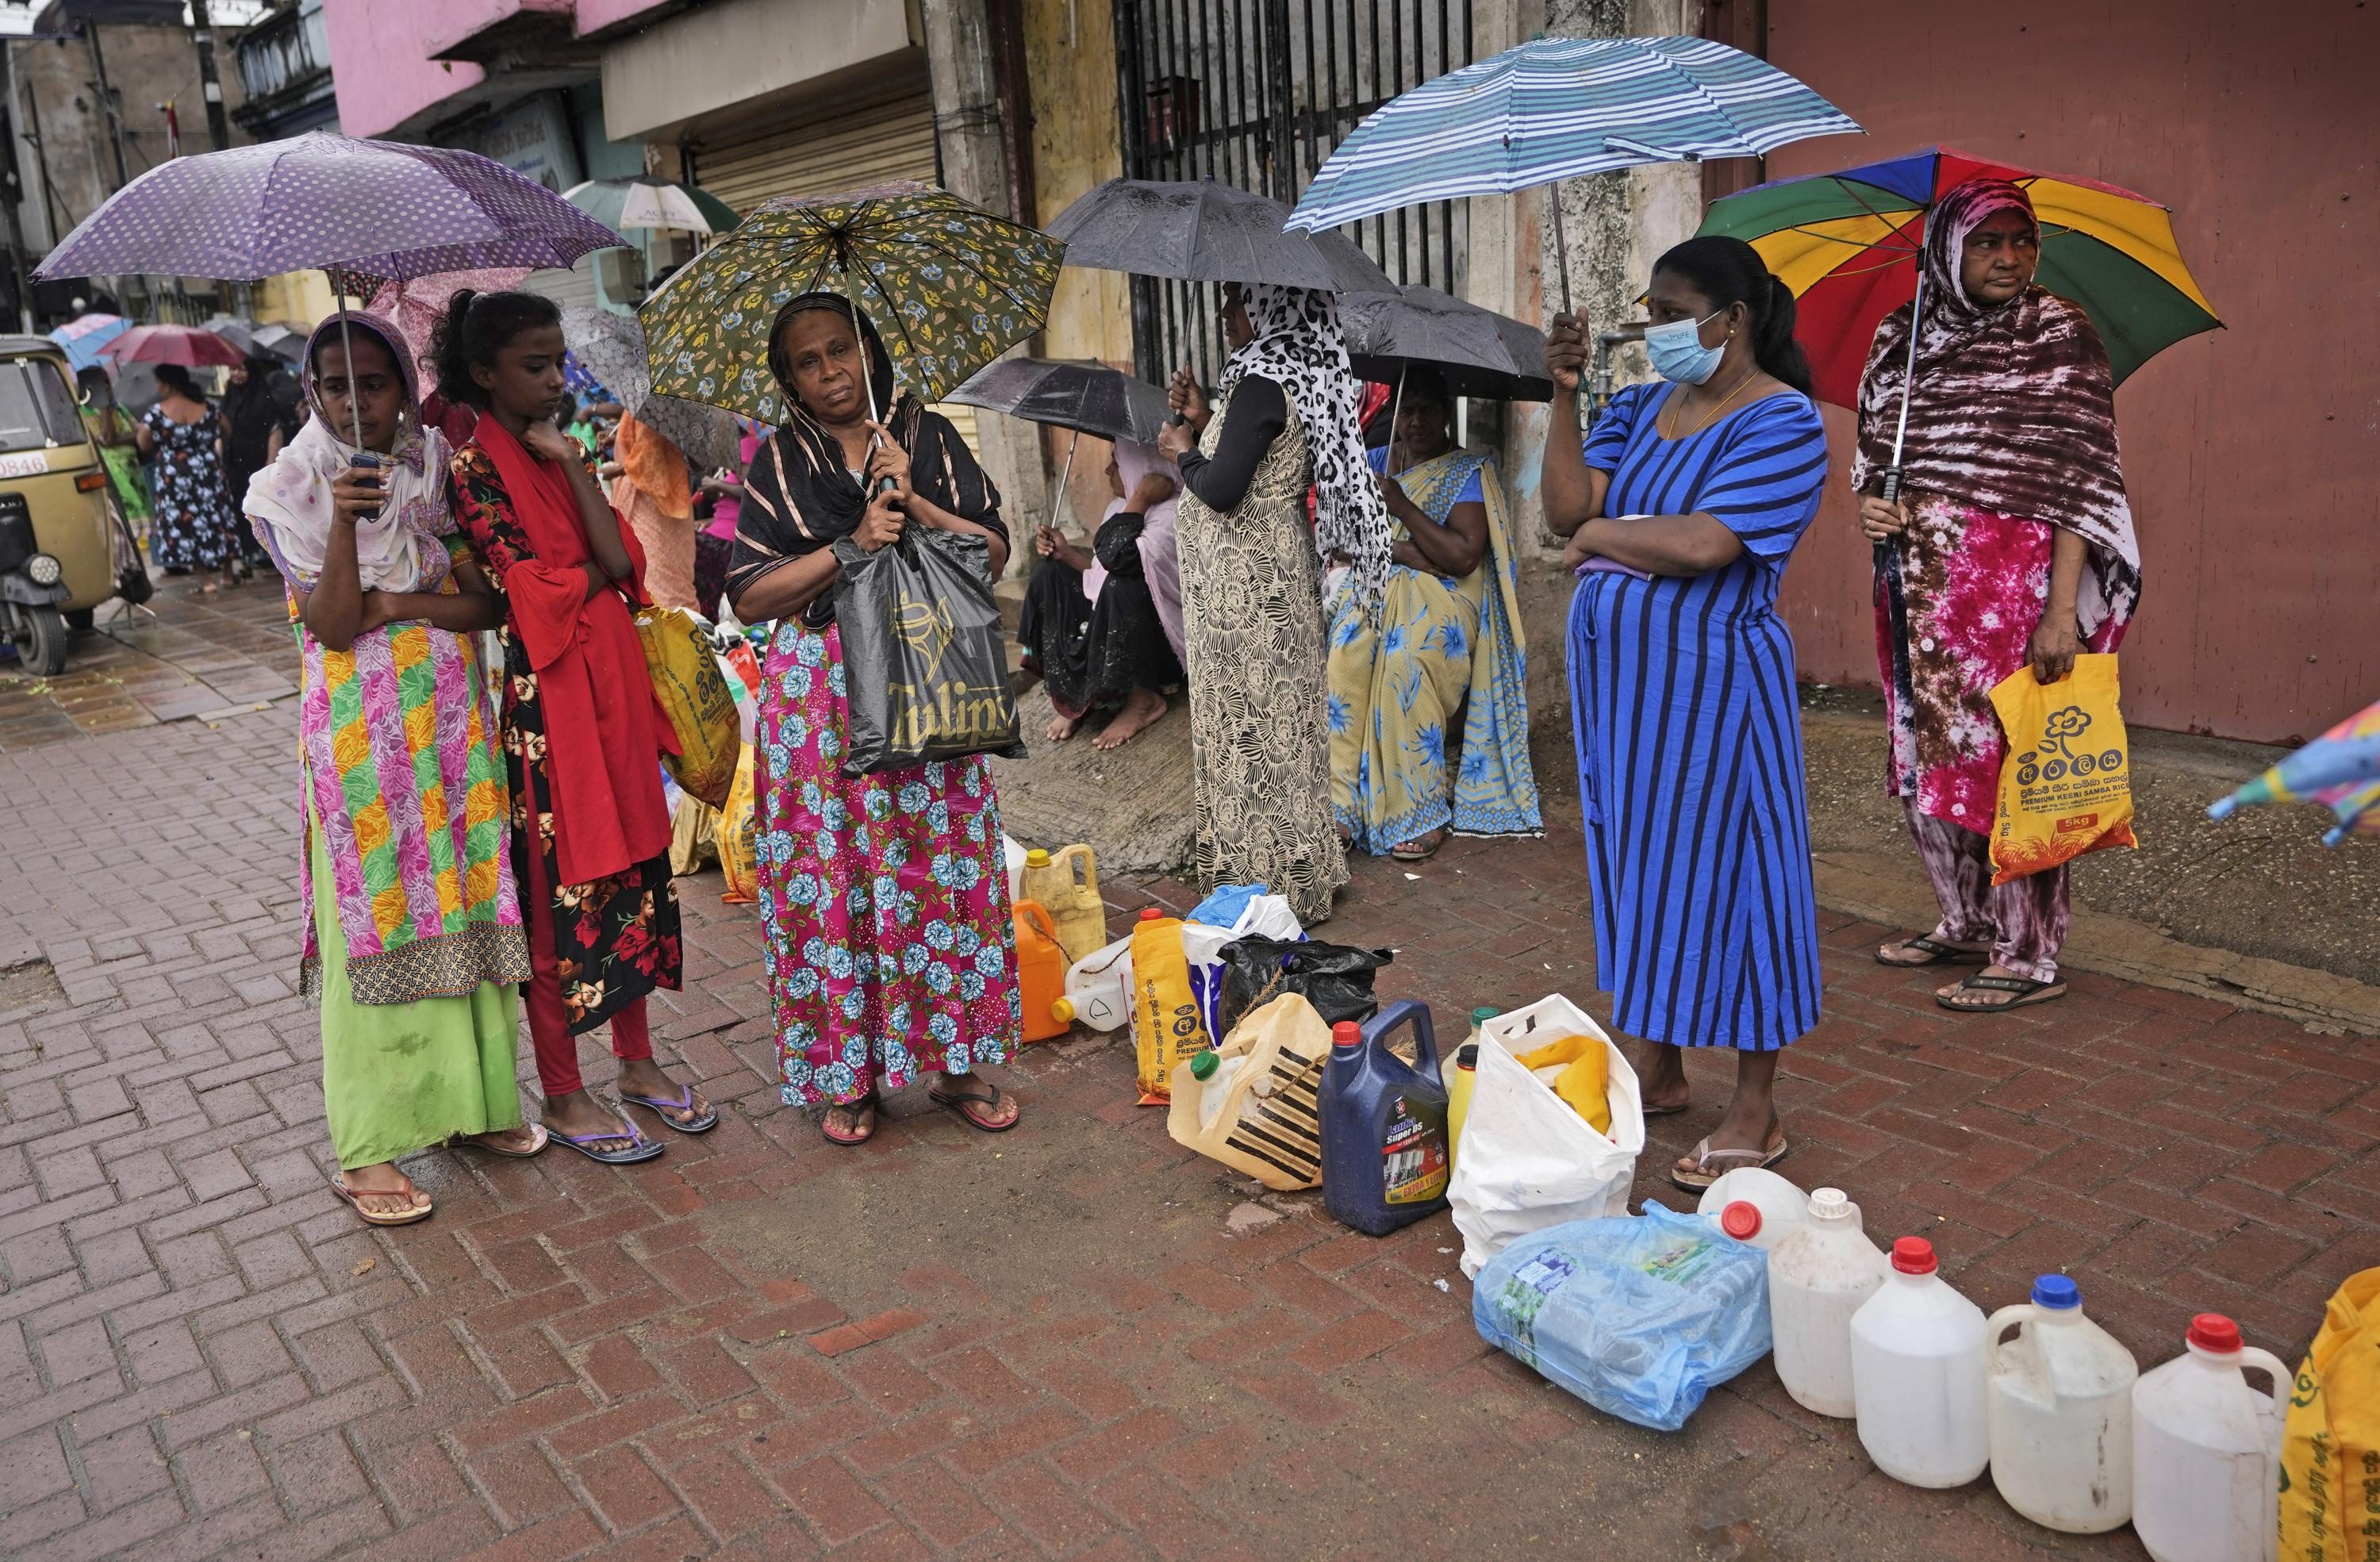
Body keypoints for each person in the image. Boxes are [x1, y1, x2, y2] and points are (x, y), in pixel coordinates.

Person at [1539, 235, 1830, 1192]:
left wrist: (1597, 537)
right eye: (1651, 312)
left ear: (1731, 319)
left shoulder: (1782, 423)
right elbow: (1563, 505)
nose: (1654, 329)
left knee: (1742, 879)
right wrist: (1565, 396)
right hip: (1627, 702)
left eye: (1670, 313)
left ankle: (1757, 1106)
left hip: (1717, 694)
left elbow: (1708, 544)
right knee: (1639, 865)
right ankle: (1658, 1066)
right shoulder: (1638, 406)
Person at [244, 310, 542, 1226]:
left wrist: (400, 598)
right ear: (312, 393)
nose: (357, 401)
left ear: (402, 387)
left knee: (460, 892)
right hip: (361, 740)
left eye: (374, 382)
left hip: (449, 719)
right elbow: (334, 624)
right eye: (337, 385)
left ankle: (473, 1107)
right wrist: (343, 522)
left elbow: (483, 605)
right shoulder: (284, 487)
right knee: (377, 915)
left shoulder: (431, 466)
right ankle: (370, 1148)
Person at [727, 292, 1021, 1146]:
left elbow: (994, 552)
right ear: (789, 382)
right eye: (809, 363)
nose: (831, 373)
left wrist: (916, 501)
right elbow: (749, 594)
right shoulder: (779, 462)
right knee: (835, 876)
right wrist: (852, 538)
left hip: (924, 676)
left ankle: (955, 1060)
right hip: (820, 698)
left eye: (840, 351)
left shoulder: (924, 434)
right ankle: (845, 1075)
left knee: (934, 871)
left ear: (868, 350)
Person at [435, 288, 708, 1165]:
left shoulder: (558, 450)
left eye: (558, 361)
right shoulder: (472, 466)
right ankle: (562, 1088)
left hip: (611, 688)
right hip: (546, 709)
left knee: (632, 865)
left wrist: (575, 472)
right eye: (535, 365)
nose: (556, 379)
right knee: (557, 894)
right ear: (484, 374)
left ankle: (636, 1063)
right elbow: (531, 595)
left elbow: (622, 563)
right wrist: (583, 573)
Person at [1857, 178, 2140, 1014]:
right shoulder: (1900, 337)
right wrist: (1875, 503)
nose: (2010, 258)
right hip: (1917, 589)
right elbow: (1879, 457)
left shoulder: (2058, 335)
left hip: (2016, 596)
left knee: (2018, 764)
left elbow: (2080, 482)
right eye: (1988, 242)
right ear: (1948, 250)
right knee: (1929, 757)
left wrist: (2062, 613)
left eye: (2022, 240)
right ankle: (1965, 919)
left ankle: (2029, 954)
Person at [1157, 282, 1388, 924]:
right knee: (1279, 722)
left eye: (1236, 301)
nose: (1226, 312)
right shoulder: (1290, 372)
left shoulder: (1262, 379)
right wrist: (1206, 420)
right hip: (1266, 573)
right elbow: (1259, 458)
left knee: (1249, 725)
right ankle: (1298, 872)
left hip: (1245, 585)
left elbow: (1226, 486)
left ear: (1268, 306)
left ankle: (1262, 886)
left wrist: (1182, 452)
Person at [1326, 367, 1539, 861]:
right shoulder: (1374, 461)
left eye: (1427, 409)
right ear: (1394, 413)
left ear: (1446, 413)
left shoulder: (1468, 471)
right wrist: (1403, 554)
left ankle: (1418, 808)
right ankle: (1343, 804)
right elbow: (1342, 541)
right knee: (1345, 656)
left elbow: (1463, 558)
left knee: (1406, 663)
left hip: (1448, 598)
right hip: (1381, 588)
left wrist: (1400, 512)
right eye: (1407, 409)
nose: (1416, 420)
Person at [1019, 438, 1184, 750]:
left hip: (1156, 650)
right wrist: (1066, 553)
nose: (1108, 470)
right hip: (1113, 619)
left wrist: (1143, 496)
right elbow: (1101, 571)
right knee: (1047, 573)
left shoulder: (1172, 513)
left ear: (1146, 469)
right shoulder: (1119, 507)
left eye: (1118, 463)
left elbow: (1119, 559)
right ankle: (1074, 696)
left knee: (1122, 581)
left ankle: (1144, 698)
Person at [136, 363, 245, 591]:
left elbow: (143, 443)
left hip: (175, 477)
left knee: (186, 524)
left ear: (167, 384)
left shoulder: (157, 412)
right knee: (218, 517)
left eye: (158, 382)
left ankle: (206, 580)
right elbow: (226, 429)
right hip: (208, 470)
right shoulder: (206, 406)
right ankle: (227, 573)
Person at [608, 413, 699, 612]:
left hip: (652, 504)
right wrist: (615, 440)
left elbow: (649, 458)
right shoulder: (651, 404)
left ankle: (672, 632)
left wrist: (617, 470)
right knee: (665, 574)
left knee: (658, 574)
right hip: (667, 499)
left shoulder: (653, 407)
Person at [222, 351, 296, 568]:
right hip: (236, 466)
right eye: (233, 369)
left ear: (251, 371)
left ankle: (268, 552)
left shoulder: (263, 397)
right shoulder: (230, 398)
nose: (237, 374)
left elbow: (274, 430)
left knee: (262, 507)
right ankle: (249, 553)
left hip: (259, 466)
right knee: (242, 509)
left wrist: (269, 464)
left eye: (241, 369)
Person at [76, 367, 152, 533]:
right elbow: (106, 440)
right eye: (103, 386)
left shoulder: (118, 407)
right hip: (114, 474)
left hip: (132, 470)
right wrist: (104, 409)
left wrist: (120, 439)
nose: (109, 389)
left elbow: (139, 431)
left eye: (108, 384)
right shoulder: (84, 411)